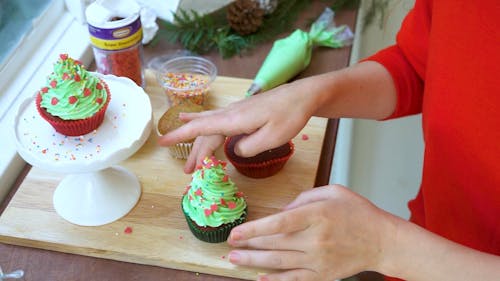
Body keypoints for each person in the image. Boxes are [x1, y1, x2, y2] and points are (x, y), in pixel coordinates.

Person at [158, 0, 500, 280]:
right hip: (424, 241)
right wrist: (310, 93)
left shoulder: (390, 248)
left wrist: (386, 247)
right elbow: (418, 65)